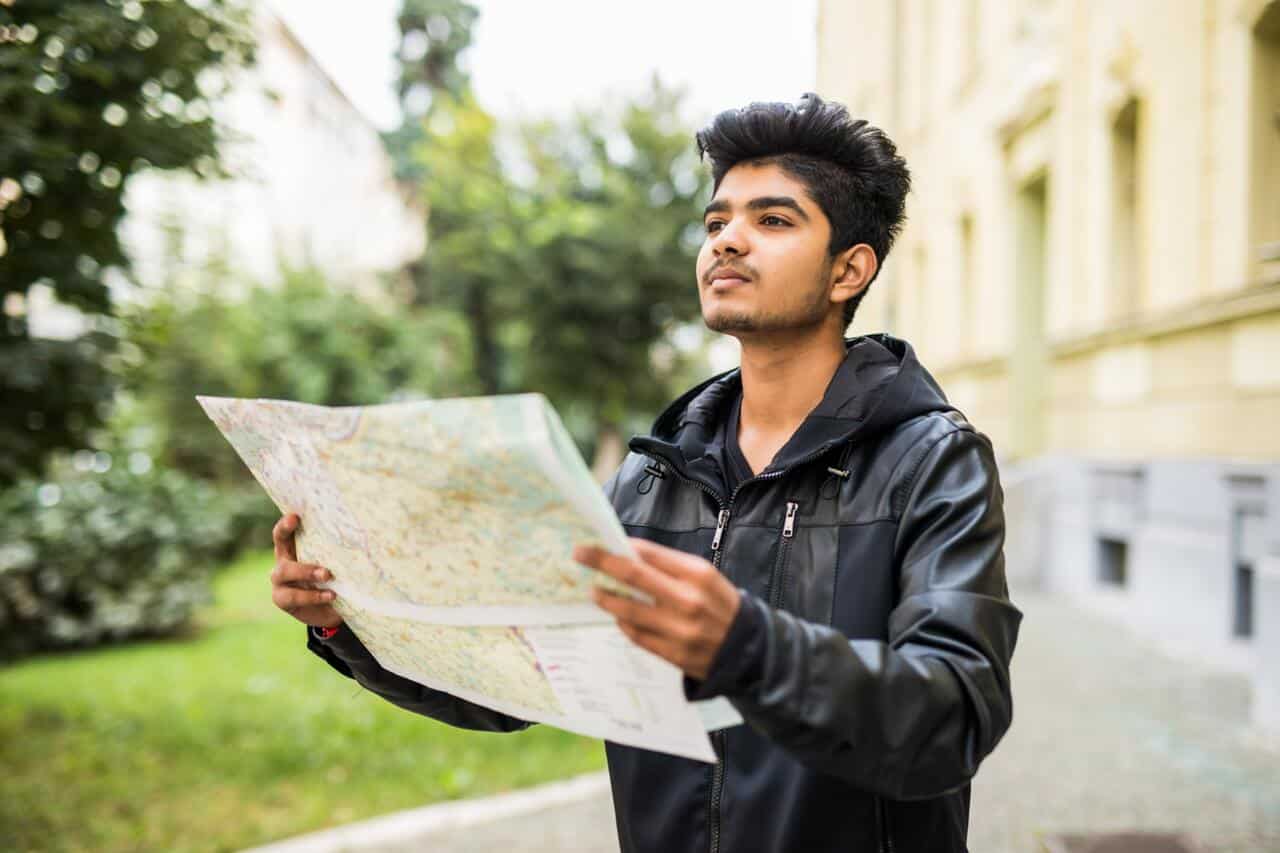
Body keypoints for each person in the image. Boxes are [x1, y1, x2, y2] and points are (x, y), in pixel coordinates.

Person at [270, 93, 1022, 853]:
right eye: (716, 220)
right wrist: (342, 619)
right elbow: (518, 678)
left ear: (848, 270)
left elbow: (953, 716)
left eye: (772, 220)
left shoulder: (932, 459)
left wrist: (750, 647)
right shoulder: (652, 478)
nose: (728, 241)